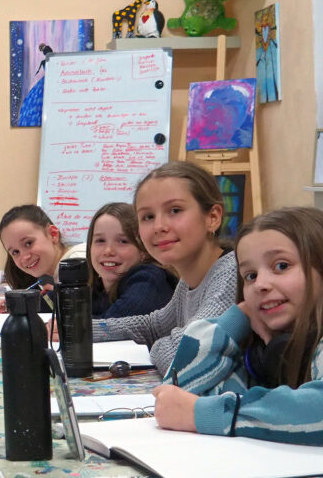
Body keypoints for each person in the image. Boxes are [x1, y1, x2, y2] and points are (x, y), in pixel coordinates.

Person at [153, 207, 323, 445]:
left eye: (281, 266)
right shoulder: (262, 351)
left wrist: (208, 414)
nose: (261, 284)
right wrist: (234, 321)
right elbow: (175, 394)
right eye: (250, 275)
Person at [91, 161, 237, 373]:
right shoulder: (189, 280)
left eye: (175, 210)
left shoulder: (231, 275)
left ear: (212, 217)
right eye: (148, 217)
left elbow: (182, 357)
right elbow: (153, 326)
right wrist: (80, 331)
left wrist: (160, 344)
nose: (159, 226)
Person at [86, 202, 176, 319]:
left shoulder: (149, 280)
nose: (108, 251)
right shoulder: (94, 286)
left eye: (122, 241)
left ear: (143, 250)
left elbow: (112, 326)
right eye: (100, 241)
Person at [0, 204, 86, 290]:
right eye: (15, 252)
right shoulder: (47, 278)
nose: (24, 258)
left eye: (28, 243)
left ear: (53, 234)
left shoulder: (78, 262)